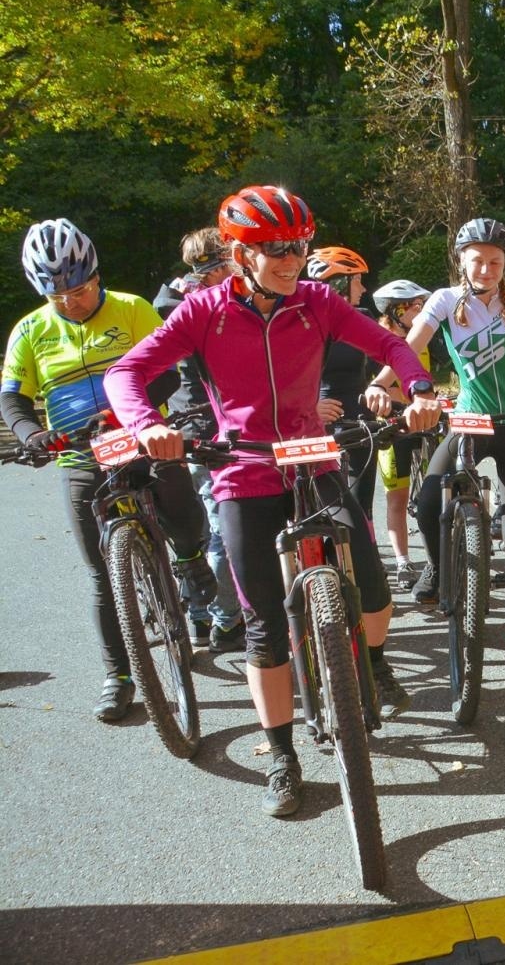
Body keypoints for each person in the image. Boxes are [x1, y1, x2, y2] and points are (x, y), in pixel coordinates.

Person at [105, 185, 439, 818]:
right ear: (239, 254)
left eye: (299, 246)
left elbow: (392, 347)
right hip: (241, 471)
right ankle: (281, 753)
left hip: (312, 460)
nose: (292, 260)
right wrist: (146, 423)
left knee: (371, 587)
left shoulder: (316, 302)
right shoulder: (203, 311)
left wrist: (418, 389)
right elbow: (125, 373)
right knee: (262, 623)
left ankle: (372, 660)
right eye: (276, 249)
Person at [3, 219, 215, 722]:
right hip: (79, 454)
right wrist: (32, 434)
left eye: (78, 289)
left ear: (96, 276)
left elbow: (165, 372)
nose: (70, 301)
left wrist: (127, 413)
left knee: (180, 504)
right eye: (57, 295)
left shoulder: (132, 308)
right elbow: (12, 396)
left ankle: (187, 557)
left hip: (139, 437)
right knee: (101, 574)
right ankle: (118, 675)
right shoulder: (31, 330)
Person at [366, 218, 505, 674]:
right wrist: (379, 383)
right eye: (477, 261)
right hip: (469, 422)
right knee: (427, 502)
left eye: (495, 261)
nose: (486, 269)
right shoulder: (445, 301)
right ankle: (437, 568)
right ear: (461, 262)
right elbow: (409, 347)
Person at [152, 227, 245, 651]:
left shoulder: (168, 303)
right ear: (214, 269)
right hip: (214, 427)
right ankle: (224, 618)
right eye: (229, 264)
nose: (235, 272)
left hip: (189, 426)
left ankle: (201, 615)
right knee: (226, 528)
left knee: (209, 526)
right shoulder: (201, 308)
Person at [370, 278, 434, 589]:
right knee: (397, 498)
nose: (422, 313)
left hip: (423, 426)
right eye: (416, 308)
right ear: (397, 311)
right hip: (392, 430)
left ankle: (436, 560)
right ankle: (402, 561)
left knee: (432, 497)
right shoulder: (379, 341)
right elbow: (376, 389)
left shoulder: (420, 338)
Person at [307, 246, 380, 517]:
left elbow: (383, 364)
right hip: (317, 421)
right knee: (320, 507)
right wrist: (311, 406)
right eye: (356, 280)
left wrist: (383, 390)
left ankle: (366, 558)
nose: (362, 289)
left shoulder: (363, 318)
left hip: (360, 419)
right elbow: (281, 377)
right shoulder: (302, 323)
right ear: (337, 284)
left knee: (362, 508)